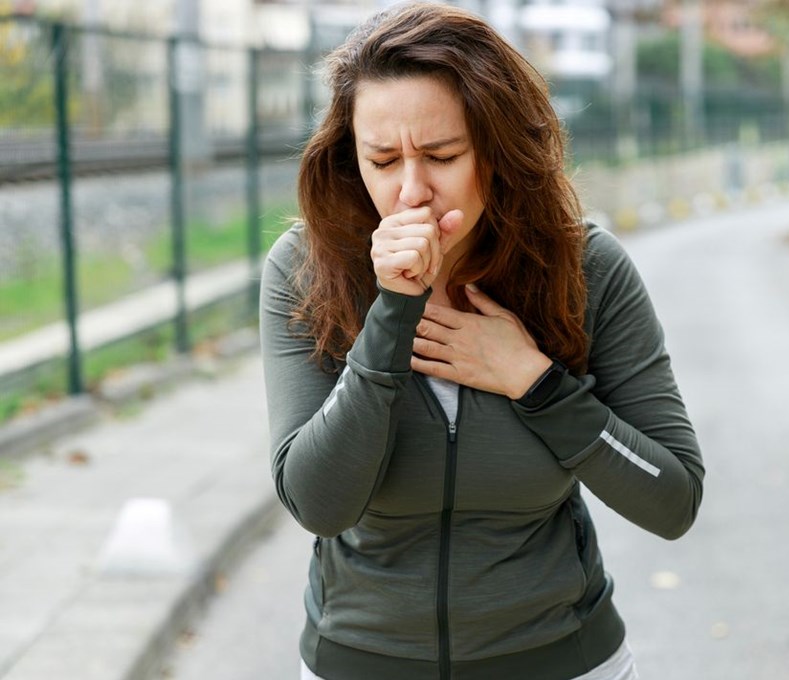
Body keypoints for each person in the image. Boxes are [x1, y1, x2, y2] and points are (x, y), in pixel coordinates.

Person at [260, 4, 704, 679]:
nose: (411, 191)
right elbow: (318, 503)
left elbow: (673, 501)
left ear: (497, 152)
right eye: (382, 159)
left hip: (564, 661)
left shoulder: (586, 270)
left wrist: (536, 382)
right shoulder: (306, 271)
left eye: (441, 156)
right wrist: (392, 315)